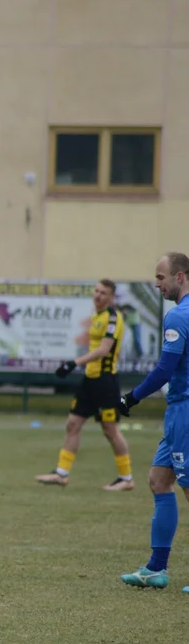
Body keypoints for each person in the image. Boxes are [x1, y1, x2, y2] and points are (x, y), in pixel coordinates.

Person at [117, 252, 189, 590]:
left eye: (161, 277)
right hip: (178, 410)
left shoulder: (178, 316)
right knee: (160, 480)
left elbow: (164, 369)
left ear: (180, 277)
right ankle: (156, 568)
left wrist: (131, 397)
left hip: (184, 412)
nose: (156, 284)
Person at [36, 279, 133, 491]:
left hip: (105, 382)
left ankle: (126, 478)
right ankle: (61, 473)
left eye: (103, 293)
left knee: (110, 430)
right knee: (73, 423)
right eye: (96, 291)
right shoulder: (97, 316)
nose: (98, 295)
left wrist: (74, 363)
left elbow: (104, 350)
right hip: (90, 381)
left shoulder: (112, 318)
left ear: (111, 297)